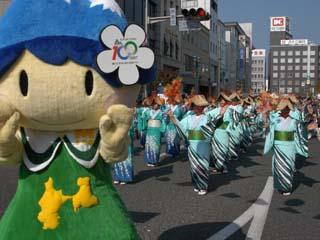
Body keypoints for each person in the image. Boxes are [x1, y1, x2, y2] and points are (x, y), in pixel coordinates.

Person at [169, 95, 211, 195]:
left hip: (203, 144)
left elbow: (209, 131)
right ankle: (197, 184)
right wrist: (173, 117)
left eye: (201, 106)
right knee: (194, 165)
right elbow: (181, 127)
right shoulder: (189, 118)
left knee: (203, 164)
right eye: (197, 106)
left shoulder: (207, 117)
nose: (199, 108)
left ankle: (203, 186)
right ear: (193, 106)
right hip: (192, 145)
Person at [264, 99, 303, 196]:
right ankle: (281, 186)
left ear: (289, 109)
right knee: (279, 166)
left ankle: (287, 187)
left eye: (287, 109)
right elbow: (270, 130)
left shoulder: (294, 120)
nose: (285, 111)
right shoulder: (275, 119)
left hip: (290, 146)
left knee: (288, 165)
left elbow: (299, 133)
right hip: (278, 146)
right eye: (283, 109)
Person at [144, 96, 166, 167]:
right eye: (153, 104)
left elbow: (165, 121)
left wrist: (162, 129)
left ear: (159, 105)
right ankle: (149, 160)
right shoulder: (148, 112)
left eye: (156, 104)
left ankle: (155, 161)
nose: (154, 105)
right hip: (149, 130)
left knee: (156, 145)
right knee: (149, 144)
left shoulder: (162, 113)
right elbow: (145, 119)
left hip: (157, 130)